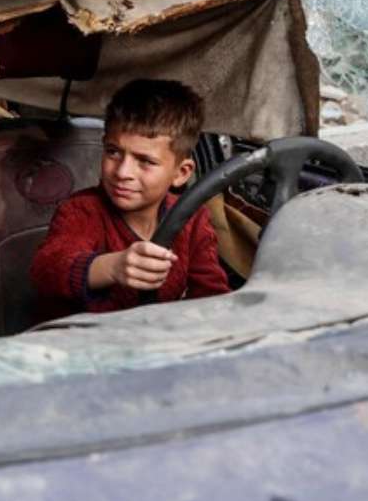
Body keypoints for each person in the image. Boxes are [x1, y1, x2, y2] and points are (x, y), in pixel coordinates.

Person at [30, 78, 230, 321]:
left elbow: (211, 296)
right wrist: (111, 267)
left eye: (145, 161)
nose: (123, 172)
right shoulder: (82, 210)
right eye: (113, 152)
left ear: (181, 173)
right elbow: (47, 269)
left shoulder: (192, 218)